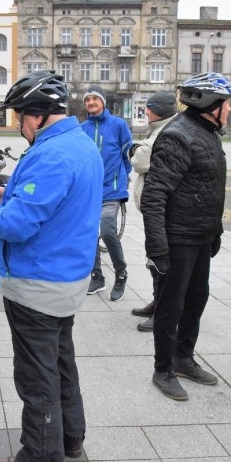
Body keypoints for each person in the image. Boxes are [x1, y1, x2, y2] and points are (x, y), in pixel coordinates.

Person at [0, 71, 103, 462]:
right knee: (62, 361)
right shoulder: (80, 143)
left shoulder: (49, 153)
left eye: (20, 117)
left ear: (38, 115)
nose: (19, 126)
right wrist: (12, 187)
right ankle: (71, 438)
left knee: (36, 375)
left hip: (37, 283)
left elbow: (15, 226)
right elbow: (59, 194)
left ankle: (40, 456)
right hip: (66, 278)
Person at [141, 72, 231, 402]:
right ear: (212, 105)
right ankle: (163, 369)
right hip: (177, 240)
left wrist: (214, 231)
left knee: (196, 300)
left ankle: (183, 358)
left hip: (200, 238)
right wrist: (157, 247)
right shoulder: (178, 136)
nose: (230, 110)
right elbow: (154, 194)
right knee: (171, 307)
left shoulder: (208, 133)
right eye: (228, 104)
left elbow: (208, 189)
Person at [129, 90, 178, 331]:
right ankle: (157, 302)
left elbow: (140, 161)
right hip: (154, 211)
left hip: (164, 212)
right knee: (153, 258)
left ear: (161, 109)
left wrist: (136, 150)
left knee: (160, 259)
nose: (146, 111)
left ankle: (162, 312)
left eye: (150, 107)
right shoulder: (158, 129)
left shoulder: (167, 131)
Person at [81, 86, 133, 301]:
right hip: (90, 191)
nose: (91, 102)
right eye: (87, 100)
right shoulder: (82, 128)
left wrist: (121, 179)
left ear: (103, 101)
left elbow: (128, 154)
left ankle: (121, 273)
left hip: (112, 190)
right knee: (89, 233)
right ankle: (97, 276)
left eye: (95, 98)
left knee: (107, 230)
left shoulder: (118, 125)